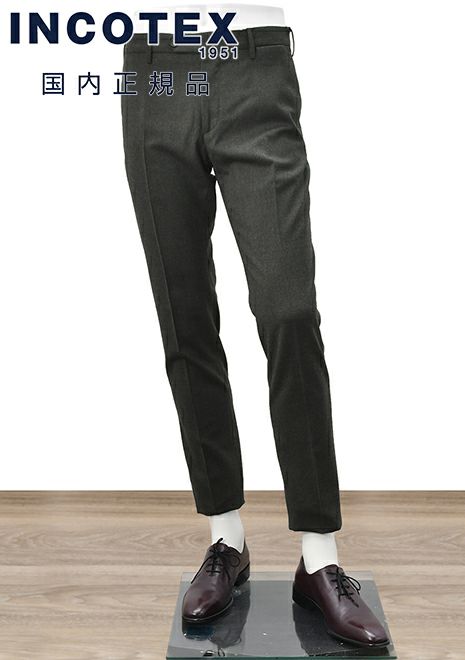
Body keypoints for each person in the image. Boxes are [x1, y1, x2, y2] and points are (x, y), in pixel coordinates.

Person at [122, 4, 389, 648]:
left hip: (253, 63)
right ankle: (226, 540)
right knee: (184, 315)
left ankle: (319, 557)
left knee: (287, 311)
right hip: (155, 71)